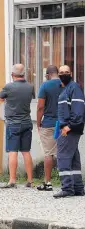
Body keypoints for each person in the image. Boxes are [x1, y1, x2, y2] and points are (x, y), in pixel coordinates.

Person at [0, 64, 34, 188]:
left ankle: (12, 180)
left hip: (13, 123)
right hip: (27, 122)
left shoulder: (9, 87)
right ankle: (30, 180)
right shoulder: (30, 87)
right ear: (24, 74)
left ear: (12, 74)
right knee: (26, 151)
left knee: (13, 151)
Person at [53, 65, 84, 198]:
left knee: (63, 156)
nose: (63, 74)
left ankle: (67, 188)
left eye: (66, 72)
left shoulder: (73, 88)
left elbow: (78, 109)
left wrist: (69, 126)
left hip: (69, 128)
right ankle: (77, 188)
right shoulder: (65, 89)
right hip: (69, 127)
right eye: (61, 72)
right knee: (73, 158)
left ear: (71, 73)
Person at [36, 65, 63, 191]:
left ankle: (48, 182)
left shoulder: (45, 86)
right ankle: (68, 181)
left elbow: (41, 106)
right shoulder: (66, 84)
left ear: (47, 75)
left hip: (49, 123)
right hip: (64, 123)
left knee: (49, 154)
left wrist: (38, 122)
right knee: (66, 153)